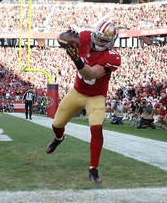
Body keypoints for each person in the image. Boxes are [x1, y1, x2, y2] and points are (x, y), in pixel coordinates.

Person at [46, 20, 121, 184]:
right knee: (57, 125)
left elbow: (90, 75)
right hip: (77, 92)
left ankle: (93, 168)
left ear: (110, 43)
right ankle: (59, 139)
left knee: (96, 129)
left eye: (103, 40)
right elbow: (64, 38)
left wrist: (77, 60)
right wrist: (64, 40)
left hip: (96, 97)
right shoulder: (86, 37)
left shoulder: (112, 57)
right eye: (97, 37)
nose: (97, 41)